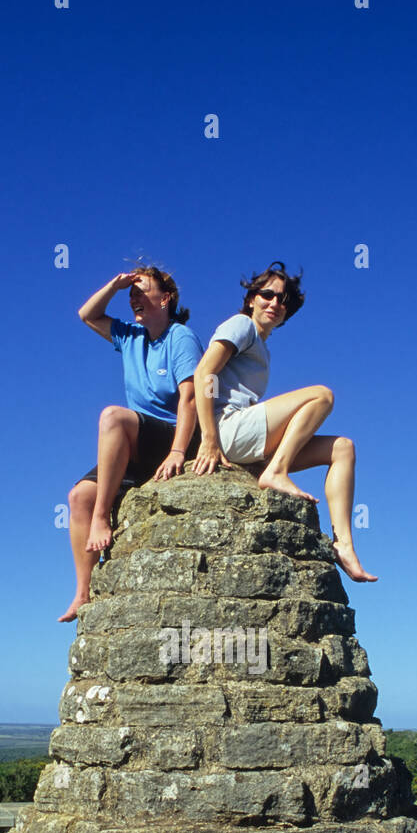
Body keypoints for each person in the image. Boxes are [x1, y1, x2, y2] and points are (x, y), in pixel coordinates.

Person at [191, 261, 377, 583]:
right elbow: (203, 374)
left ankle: (344, 545)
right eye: (267, 295)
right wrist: (209, 439)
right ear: (251, 299)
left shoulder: (263, 348)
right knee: (322, 396)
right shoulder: (241, 325)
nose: (275, 303)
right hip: (227, 429)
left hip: (247, 440)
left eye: (283, 300)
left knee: (343, 449)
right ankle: (276, 471)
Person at [59, 267, 203, 622]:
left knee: (112, 416)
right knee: (78, 496)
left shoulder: (180, 338)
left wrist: (177, 452)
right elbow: (87, 315)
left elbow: (192, 399)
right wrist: (114, 284)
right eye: (131, 295)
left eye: (142, 291)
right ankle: (82, 592)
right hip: (137, 440)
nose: (134, 299)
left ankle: (100, 520)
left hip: (174, 434)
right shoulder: (130, 336)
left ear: (166, 298)